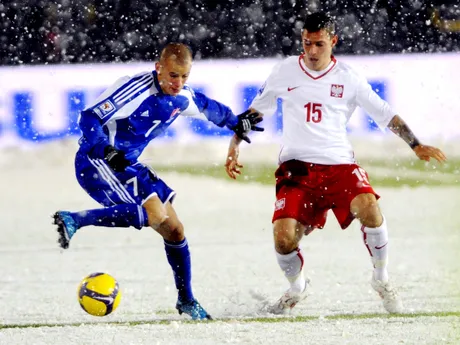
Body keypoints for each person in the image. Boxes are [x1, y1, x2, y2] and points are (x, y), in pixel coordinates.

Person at [224, 12, 447, 315]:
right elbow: (254, 112)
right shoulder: (285, 72)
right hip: (296, 168)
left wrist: (415, 144)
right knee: (284, 237)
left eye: (318, 44)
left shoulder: (348, 78)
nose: (312, 51)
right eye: (306, 44)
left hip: (339, 165)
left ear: (333, 41)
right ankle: (297, 287)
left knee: (369, 207)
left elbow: (385, 115)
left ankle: (381, 280)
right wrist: (234, 144)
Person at [53, 42, 263, 320]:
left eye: (184, 76)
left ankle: (186, 300)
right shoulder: (134, 88)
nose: (178, 83)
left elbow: (206, 106)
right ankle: (75, 219)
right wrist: (105, 149)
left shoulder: (181, 96)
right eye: (173, 75)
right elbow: (90, 117)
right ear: (158, 67)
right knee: (155, 213)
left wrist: (236, 122)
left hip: (128, 165)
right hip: (97, 161)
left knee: (175, 230)